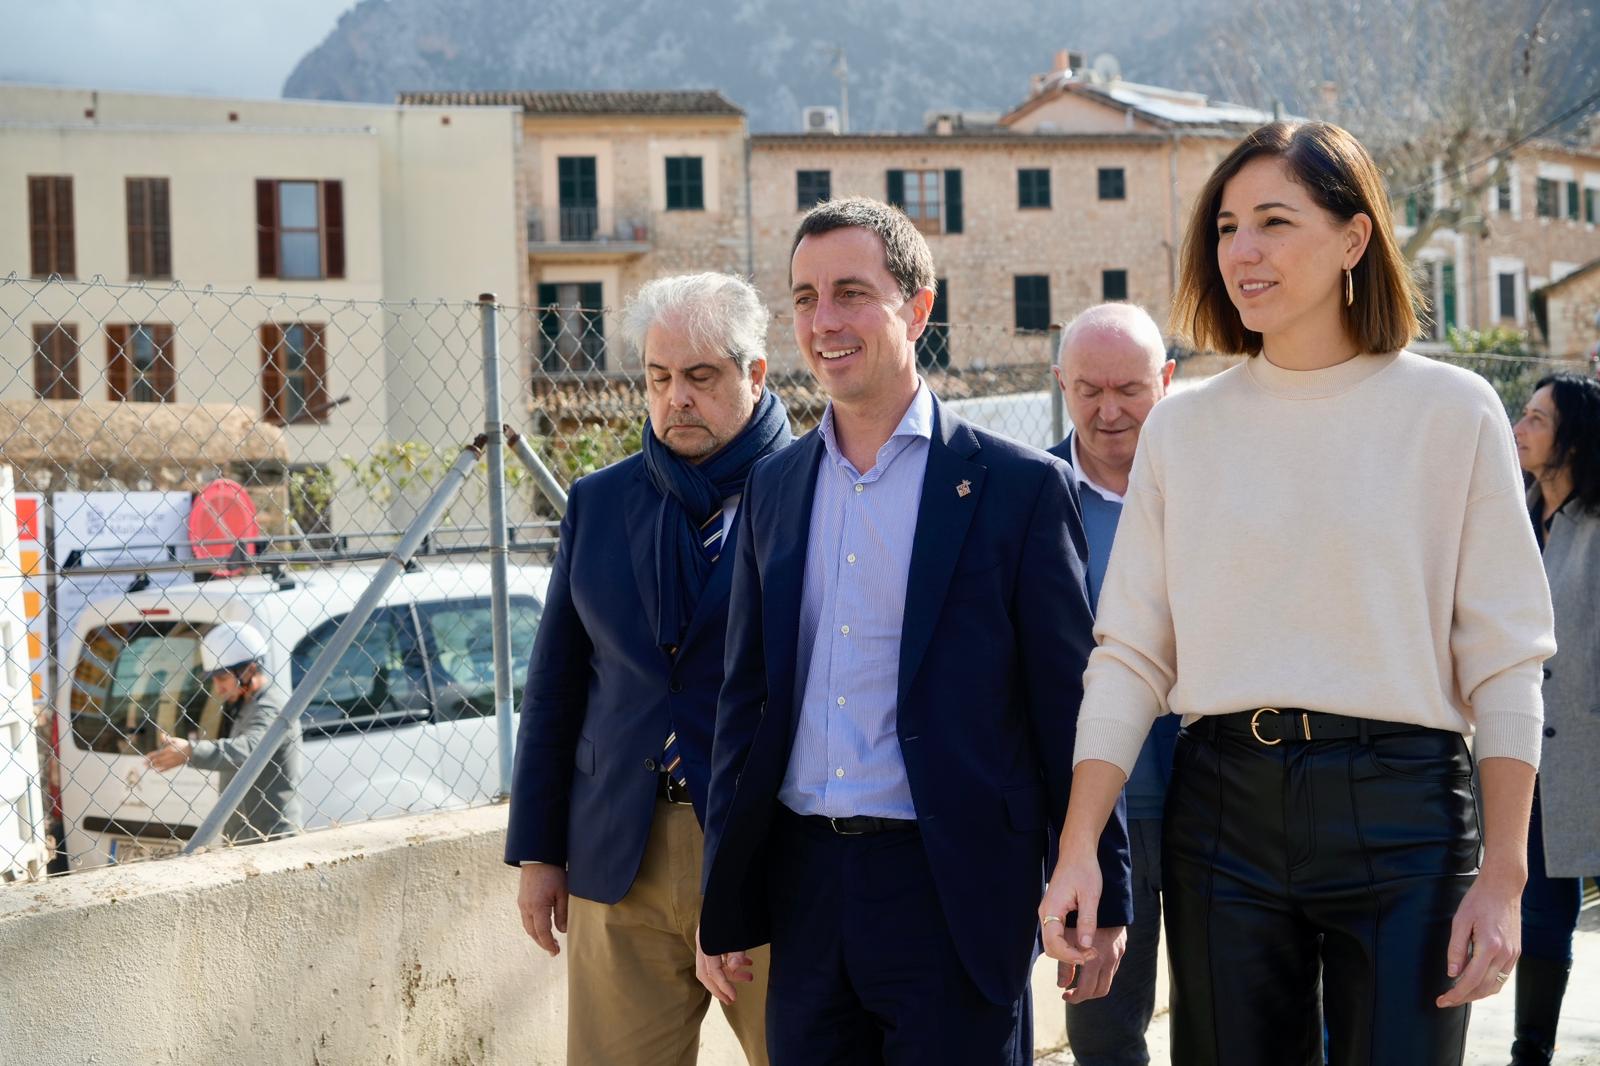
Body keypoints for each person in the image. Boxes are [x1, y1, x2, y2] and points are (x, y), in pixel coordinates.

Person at [1038, 121, 1557, 1066]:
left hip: (1408, 812)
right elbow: (1130, 657)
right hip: (1221, 808)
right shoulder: (1183, 429)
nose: (1243, 250)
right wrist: (1079, 847)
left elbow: (1506, 656)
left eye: (1275, 221)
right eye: (1229, 225)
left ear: (1355, 238)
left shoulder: (1453, 412)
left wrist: (1507, 875)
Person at [696, 196, 1132, 1066]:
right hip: (807, 892)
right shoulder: (773, 494)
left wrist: (1103, 883)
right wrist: (723, 897)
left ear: (918, 307)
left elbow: (1067, 705)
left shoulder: (1015, 490)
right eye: (806, 298)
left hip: (954, 890)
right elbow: (743, 706)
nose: (825, 321)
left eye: (852, 293)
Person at [507, 272, 790, 1066]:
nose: (676, 400)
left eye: (700, 378)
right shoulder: (599, 501)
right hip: (616, 850)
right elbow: (557, 684)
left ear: (755, 374)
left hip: (769, 851)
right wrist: (539, 851)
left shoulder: (811, 492)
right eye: (659, 379)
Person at [1047, 303, 1177, 1066]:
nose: (1109, 410)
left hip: (1221, 802)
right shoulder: (1029, 499)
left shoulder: (1211, 490)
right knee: (1102, 1032)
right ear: (1061, 384)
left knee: (1242, 1019)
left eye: (1129, 388)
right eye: (1088, 389)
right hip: (1088, 820)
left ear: (1167, 380)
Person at [1507, 372, 1600, 1065]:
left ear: (1572, 437)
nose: (1520, 428)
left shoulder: (1596, 527)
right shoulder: (1515, 518)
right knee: (1540, 913)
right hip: (1531, 755)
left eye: (1536, 418)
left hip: (1592, 749)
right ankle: (1528, 1052)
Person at [146, 620, 302, 843]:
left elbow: (249, 749)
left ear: (250, 670)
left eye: (223, 678)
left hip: (271, 840)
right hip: (248, 836)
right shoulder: (248, 704)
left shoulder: (270, 706)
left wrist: (191, 750)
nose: (218, 688)